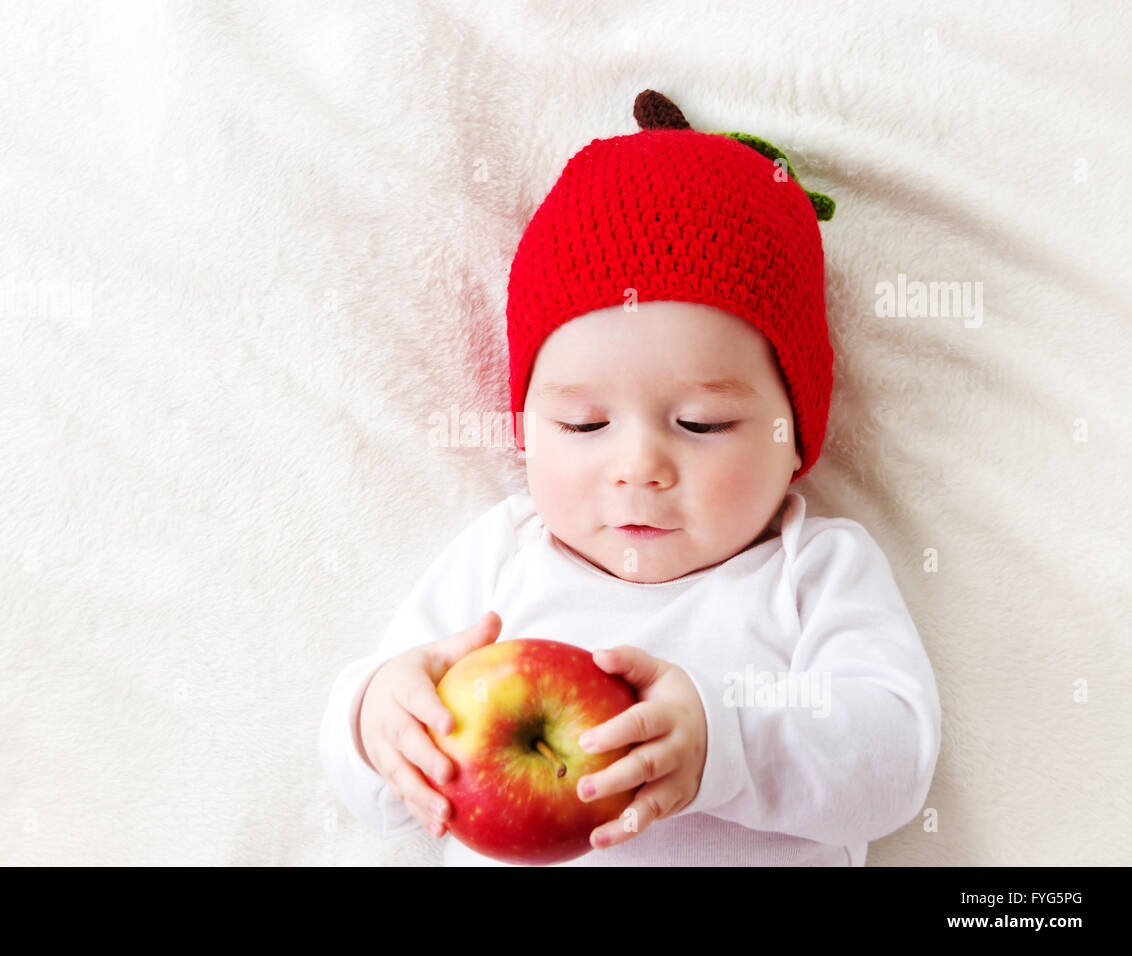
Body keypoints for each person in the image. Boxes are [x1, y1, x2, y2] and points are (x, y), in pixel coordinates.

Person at [317, 90, 940, 865]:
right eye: (583, 426)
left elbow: (895, 760)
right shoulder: (502, 558)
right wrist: (376, 721)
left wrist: (724, 743)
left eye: (702, 425)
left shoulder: (812, 571)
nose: (638, 468)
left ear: (796, 435)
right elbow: (377, 788)